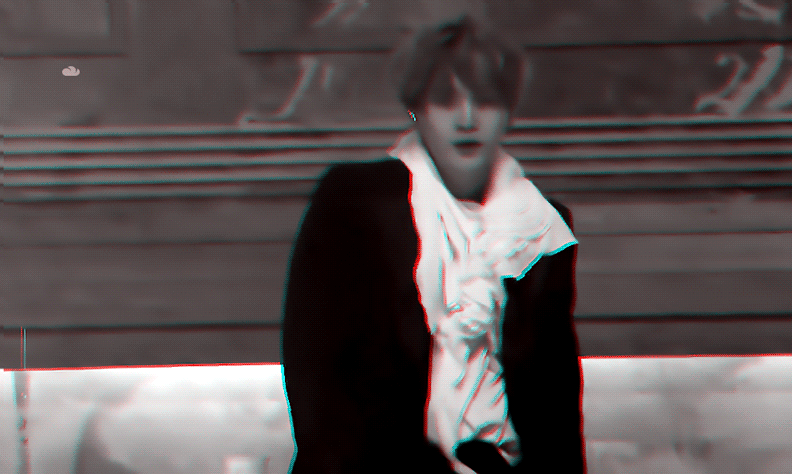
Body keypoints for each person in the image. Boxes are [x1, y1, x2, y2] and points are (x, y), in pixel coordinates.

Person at [281, 15, 586, 474]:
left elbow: (554, 401)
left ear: (508, 112)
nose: (467, 118)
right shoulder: (354, 202)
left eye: (486, 100)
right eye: (445, 100)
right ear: (416, 109)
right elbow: (314, 370)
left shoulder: (541, 226)